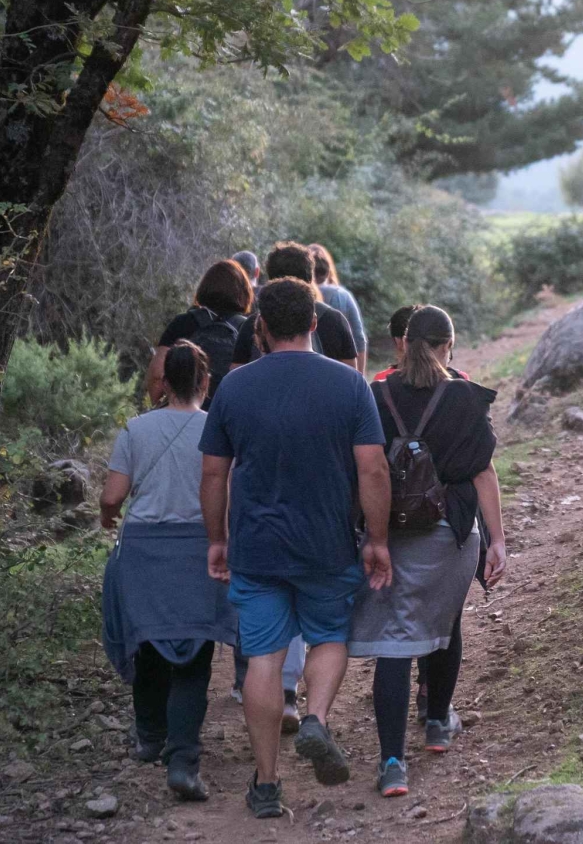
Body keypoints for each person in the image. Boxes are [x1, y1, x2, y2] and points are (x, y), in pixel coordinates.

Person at [200, 277, 393, 818]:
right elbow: (372, 468)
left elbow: (214, 472)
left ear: (259, 326)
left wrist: (217, 538)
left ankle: (265, 784)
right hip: (326, 542)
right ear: (314, 323)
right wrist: (376, 539)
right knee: (330, 633)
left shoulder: (234, 388)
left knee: (263, 657)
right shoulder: (349, 385)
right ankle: (317, 719)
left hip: (257, 547)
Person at [348, 306, 507, 798]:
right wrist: (498, 540)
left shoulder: (375, 395)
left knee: (395, 641)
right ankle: (437, 722)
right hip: (450, 533)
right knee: (447, 623)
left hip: (387, 533)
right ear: (447, 346)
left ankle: (392, 762)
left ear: (404, 344)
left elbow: (357, 467)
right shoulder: (462, 396)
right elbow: (483, 473)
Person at [101, 341, 235, 804]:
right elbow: (228, 493)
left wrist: (105, 518)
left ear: (163, 383)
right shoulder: (217, 430)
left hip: (144, 550)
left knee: (148, 645)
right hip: (199, 548)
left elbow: (112, 496)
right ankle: (182, 760)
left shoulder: (136, 430)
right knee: (194, 656)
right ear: (204, 381)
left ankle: (150, 737)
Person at [230, 242, 357, 370]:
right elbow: (352, 378)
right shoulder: (335, 321)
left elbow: (236, 378)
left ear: (271, 280)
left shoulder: (253, 324)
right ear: (309, 279)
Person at [148, 260, 252, 409]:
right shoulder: (248, 328)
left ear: (204, 288)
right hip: (229, 420)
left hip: (184, 414)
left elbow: (157, 376)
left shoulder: (183, 323)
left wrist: (163, 410)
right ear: (244, 292)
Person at [309, 244, 369, 375]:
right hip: (339, 369)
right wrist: (360, 378)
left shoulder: (294, 296)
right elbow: (359, 339)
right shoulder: (341, 295)